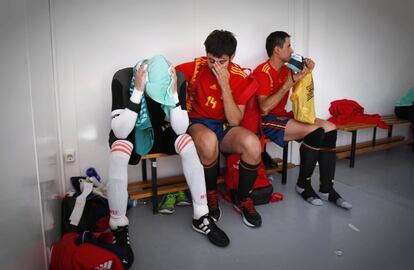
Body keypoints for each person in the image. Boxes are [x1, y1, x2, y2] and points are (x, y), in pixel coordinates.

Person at [108, 56, 230, 265]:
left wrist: (173, 95)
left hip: (158, 129)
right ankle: (118, 225)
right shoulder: (122, 79)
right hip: (130, 126)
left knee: (187, 141)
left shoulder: (177, 79)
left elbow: (181, 128)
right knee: (119, 149)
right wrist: (138, 91)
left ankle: (201, 215)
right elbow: (120, 130)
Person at [253, 31, 352, 210]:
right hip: (265, 120)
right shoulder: (262, 71)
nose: (292, 50)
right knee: (315, 131)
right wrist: (287, 84)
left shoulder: (288, 67)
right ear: (277, 49)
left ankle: (326, 189)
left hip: (283, 115)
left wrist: (307, 71)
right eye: (289, 45)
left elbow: (300, 91)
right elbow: (264, 108)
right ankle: (303, 185)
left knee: (330, 128)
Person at [176, 30, 263, 228]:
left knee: (253, 145)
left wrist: (225, 85)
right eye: (211, 60)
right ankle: (210, 193)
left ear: (232, 57)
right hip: (198, 123)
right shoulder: (196, 67)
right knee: (208, 142)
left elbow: (234, 121)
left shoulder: (239, 76)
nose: (215, 66)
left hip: (225, 127)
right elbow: (168, 77)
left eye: (222, 61)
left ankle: (242, 199)